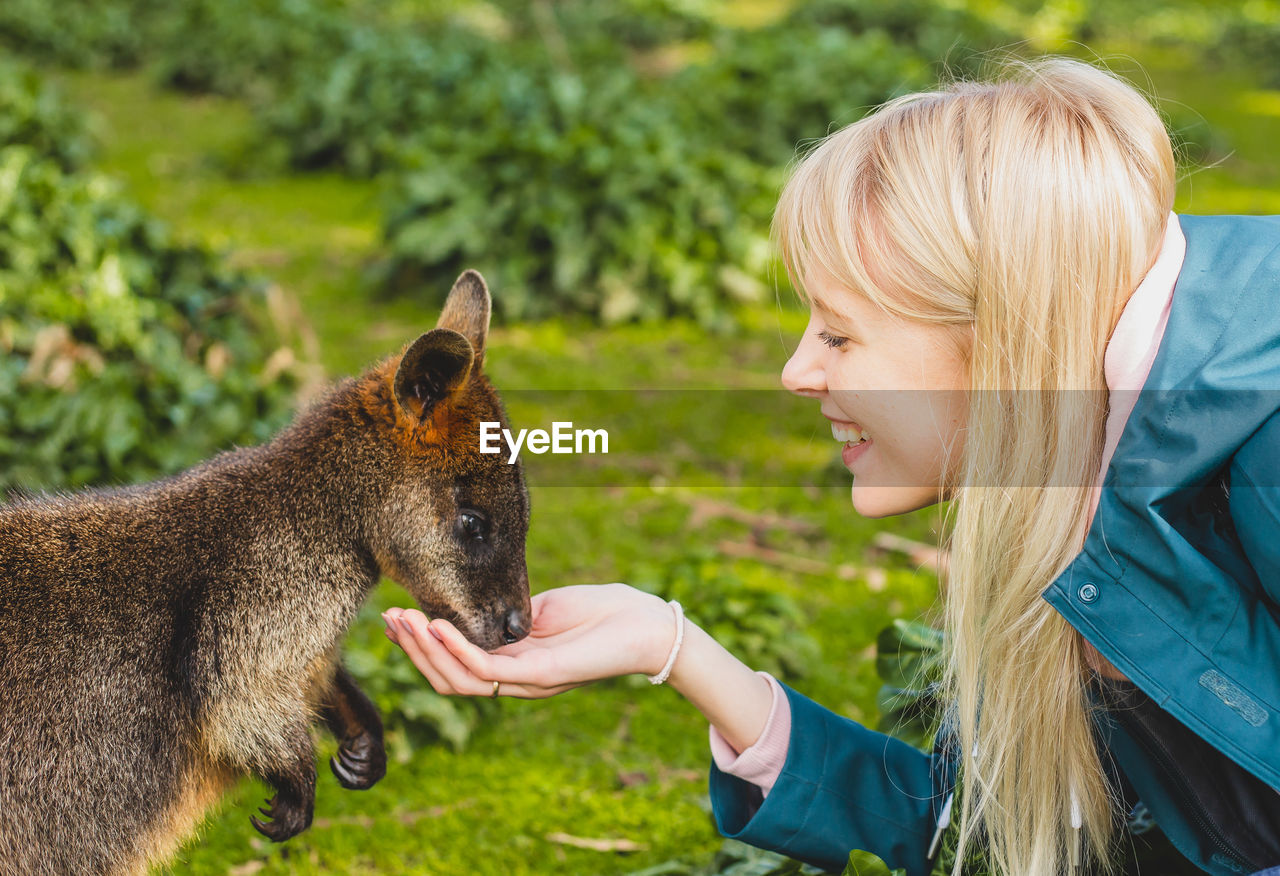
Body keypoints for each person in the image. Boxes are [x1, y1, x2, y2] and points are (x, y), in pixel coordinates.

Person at [381, 56, 1280, 876]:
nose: (797, 371)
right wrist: (674, 650)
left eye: (841, 334)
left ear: (1001, 336)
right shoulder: (1067, 473)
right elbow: (1006, 838)